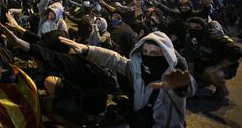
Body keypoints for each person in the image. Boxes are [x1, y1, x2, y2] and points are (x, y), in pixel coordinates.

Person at [59, 31, 196, 128]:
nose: (148, 56)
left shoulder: (173, 77)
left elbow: (189, 88)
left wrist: (184, 85)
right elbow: (114, 59)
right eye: (145, 52)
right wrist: (88, 50)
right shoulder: (137, 68)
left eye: (155, 53)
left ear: (165, 55)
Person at [0, 22, 116, 127]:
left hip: (91, 109)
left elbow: (44, 52)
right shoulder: (70, 48)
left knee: (44, 105)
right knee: (49, 81)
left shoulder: (71, 62)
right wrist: (19, 29)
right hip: (84, 94)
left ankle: (76, 124)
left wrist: (17, 42)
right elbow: (40, 42)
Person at [183, 17, 242, 99]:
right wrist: (191, 81)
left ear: (204, 28)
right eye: (190, 27)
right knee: (185, 73)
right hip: (205, 63)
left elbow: (237, 52)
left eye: (197, 28)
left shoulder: (215, 36)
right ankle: (202, 81)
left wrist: (216, 67)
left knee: (212, 73)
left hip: (221, 66)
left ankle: (221, 88)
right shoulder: (189, 38)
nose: (193, 30)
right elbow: (190, 59)